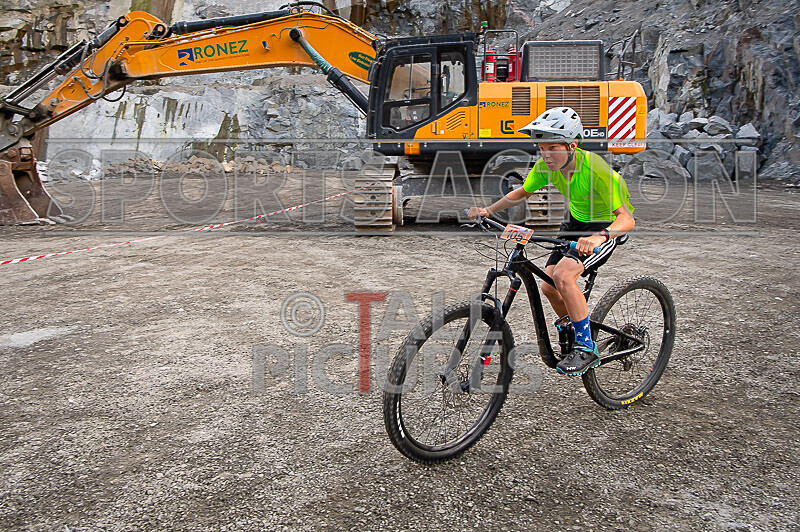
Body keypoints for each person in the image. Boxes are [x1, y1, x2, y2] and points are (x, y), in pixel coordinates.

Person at [467, 107, 635, 376]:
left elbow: (627, 220)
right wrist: (488, 210)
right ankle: (572, 323)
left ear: (573, 145)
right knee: (548, 285)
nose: (547, 154)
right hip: (574, 222)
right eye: (542, 147)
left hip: (604, 227)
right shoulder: (546, 166)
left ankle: (586, 347)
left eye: (553, 147)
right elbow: (521, 192)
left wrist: (598, 237)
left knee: (565, 275)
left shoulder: (595, 168)